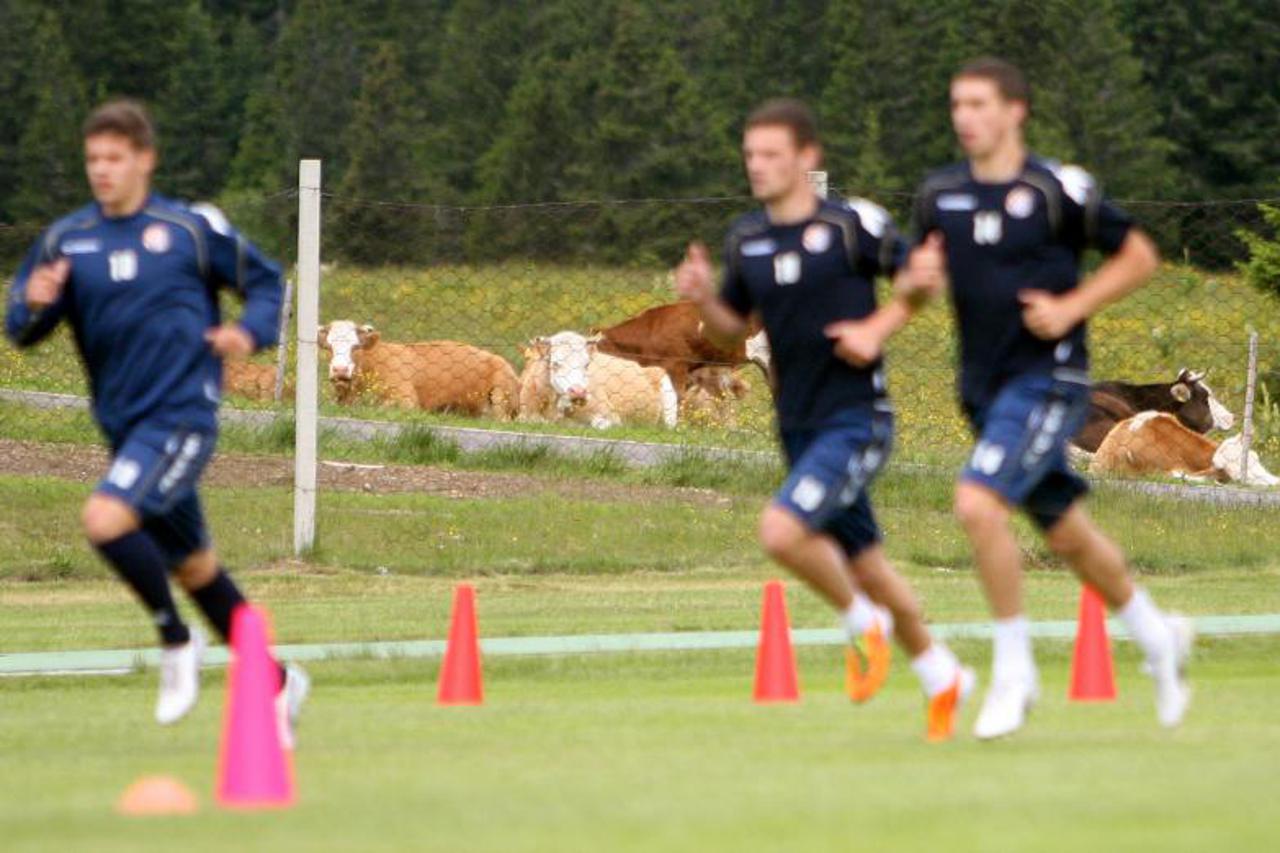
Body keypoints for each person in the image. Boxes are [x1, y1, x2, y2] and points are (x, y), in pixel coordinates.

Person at [841, 58, 1193, 740]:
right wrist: (895, 305)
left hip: (1051, 380)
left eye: (978, 103)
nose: (964, 116)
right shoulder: (941, 194)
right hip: (983, 389)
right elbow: (922, 281)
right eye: (956, 104)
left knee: (976, 503)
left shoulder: (1059, 189)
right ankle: (1159, 634)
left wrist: (1072, 307)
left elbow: (1140, 255)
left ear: (1014, 111)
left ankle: (1013, 671)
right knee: (1066, 533)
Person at [4, 99, 309, 744]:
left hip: (182, 414)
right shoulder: (68, 240)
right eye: (93, 159)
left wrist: (248, 334)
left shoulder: (189, 230)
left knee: (105, 518)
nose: (102, 170)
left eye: (115, 157)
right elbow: (23, 329)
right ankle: (279, 684)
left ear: (145, 159)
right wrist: (31, 305)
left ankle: (176, 641)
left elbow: (267, 282)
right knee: (196, 568)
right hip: (124, 424)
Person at [675, 98, 973, 741]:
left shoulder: (853, 225)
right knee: (866, 563)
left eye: (770, 154)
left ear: (807, 157)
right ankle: (941, 671)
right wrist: (704, 298)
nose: (757, 165)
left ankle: (861, 627)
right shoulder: (748, 239)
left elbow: (919, 283)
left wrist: (877, 326)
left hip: (857, 418)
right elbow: (731, 324)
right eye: (749, 154)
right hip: (798, 425)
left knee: (782, 533)